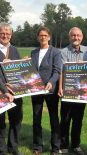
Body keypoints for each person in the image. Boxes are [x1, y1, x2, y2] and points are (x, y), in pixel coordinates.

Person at [0, 22, 23, 155]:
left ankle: (13, 148)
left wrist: (24, 64)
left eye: (8, 33)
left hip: (16, 91)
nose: (5, 35)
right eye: (2, 33)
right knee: (0, 121)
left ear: (11, 35)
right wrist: (4, 86)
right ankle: (1, 150)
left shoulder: (14, 49)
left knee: (16, 120)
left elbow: (18, 70)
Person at [58, 27, 87, 155]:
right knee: (65, 120)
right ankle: (64, 145)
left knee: (78, 120)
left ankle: (76, 145)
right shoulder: (63, 52)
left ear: (82, 37)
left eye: (78, 35)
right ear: (69, 37)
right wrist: (60, 88)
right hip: (68, 91)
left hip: (82, 92)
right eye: (73, 35)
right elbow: (62, 71)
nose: (76, 38)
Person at [30, 27, 62, 155]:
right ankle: (37, 146)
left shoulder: (55, 52)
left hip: (51, 90)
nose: (43, 37)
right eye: (40, 35)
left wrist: (51, 82)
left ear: (49, 37)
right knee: (36, 118)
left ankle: (55, 147)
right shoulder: (34, 52)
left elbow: (57, 70)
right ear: (38, 37)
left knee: (54, 118)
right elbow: (30, 70)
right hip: (36, 90)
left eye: (45, 35)